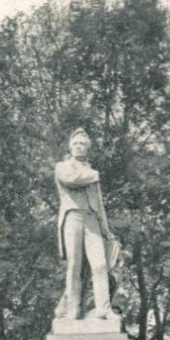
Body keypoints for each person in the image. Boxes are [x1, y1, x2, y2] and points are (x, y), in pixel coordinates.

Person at [54, 128, 118, 320]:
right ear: (70, 146)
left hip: (91, 220)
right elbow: (71, 180)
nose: (79, 147)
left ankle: (104, 309)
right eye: (75, 144)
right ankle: (73, 308)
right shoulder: (63, 167)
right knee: (74, 265)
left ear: (88, 147)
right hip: (72, 217)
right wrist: (93, 175)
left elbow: (99, 205)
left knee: (100, 265)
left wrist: (106, 230)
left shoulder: (91, 172)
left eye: (82, 144)